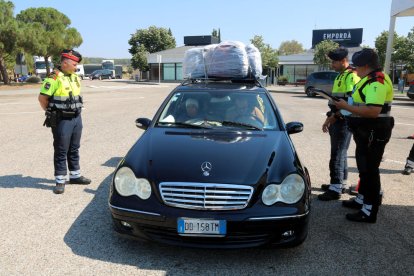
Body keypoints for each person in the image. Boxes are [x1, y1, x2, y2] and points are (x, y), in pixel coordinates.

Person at [333, 48, 394, 223]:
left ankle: (369, 210)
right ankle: (362, 199)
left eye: (357, 66)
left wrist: (346, 106)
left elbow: (373, 110)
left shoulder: (377, 80)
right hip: (366, 130)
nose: (355, 69)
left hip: (374, 130)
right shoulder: (368, 79)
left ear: (366, 66)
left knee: (370, 171)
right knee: (364, 168)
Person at [38, 49, 91, 194]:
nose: (76, 67)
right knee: (61, 150)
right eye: (74, 64)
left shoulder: (74, 77)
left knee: (74, 147)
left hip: (76, 117)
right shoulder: (53, 78)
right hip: (62, 120)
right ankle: (60, 180)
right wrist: (51, 113)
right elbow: (42, 98)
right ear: (65, 63)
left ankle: (75, 176)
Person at [319, 47, 360, 201]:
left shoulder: (351, 76)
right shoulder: (340, 76)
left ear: (343, 61)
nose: (332, 65)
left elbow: (350, 104)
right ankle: (340, 183)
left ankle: (335, 187)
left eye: (334, 62)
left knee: (337, 153)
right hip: (337, 118)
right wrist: (329, 116)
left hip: (344, 120)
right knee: (340, 152)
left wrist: (334, 117)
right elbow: (335, 102)